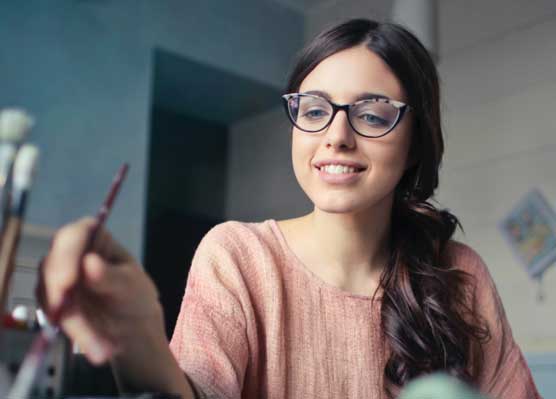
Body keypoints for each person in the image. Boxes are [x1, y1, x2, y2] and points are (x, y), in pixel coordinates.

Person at [40, 19, 542, 399]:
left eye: (371, 115)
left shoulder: (460, 275)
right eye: (316, 110)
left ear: (414, 143)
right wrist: (143, 340)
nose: (337, 137)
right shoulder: (238, 257)